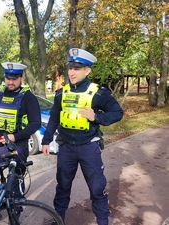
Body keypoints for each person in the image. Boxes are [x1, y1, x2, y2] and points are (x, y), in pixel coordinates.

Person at [41, 48, 123, 225]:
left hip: (88, 148)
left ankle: (102, 221)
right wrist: (46, 140)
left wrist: (97, 117)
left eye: (77, 68)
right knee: (62, 187)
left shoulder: (98, 93)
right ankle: (59, 219)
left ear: (87, 70)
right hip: (66, 148)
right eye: (70, 67)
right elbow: (54, 117)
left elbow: (117, 112)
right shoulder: (61, 93)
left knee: (97, 188)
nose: (71, 72)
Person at [0, 62, 41, 208]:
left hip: (17, 144)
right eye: (8, 78)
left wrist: (15, 136)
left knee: (15, 180)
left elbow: (35, 123)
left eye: (14, 78)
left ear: (21, 78)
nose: (10, 81)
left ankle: (15, 210)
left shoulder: (28, 97)